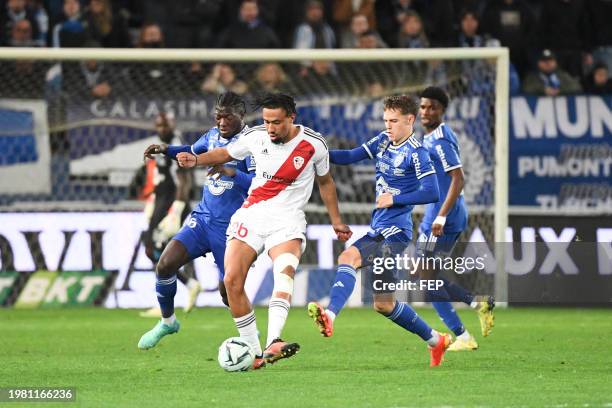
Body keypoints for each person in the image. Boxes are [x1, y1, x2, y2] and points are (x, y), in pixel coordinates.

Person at [176, 92, 352, 369]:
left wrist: (336, 220)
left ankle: (274, 341)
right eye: (267, 121)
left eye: (277, 122)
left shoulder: (313, 145)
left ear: (291, 118)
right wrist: (196, 160)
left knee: (284, 273)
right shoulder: (256, 136)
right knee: (232, 280)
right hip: (252, 215)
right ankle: (256, 352)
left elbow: (326, 182)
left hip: (288, 220)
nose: (270, 128)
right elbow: (224, 153)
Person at [307, 95, 453, 367]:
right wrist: (315, 153)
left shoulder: (417, 153)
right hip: (380, 229)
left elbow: (432, 192)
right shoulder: (383, 140)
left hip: (395, 233)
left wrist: (395, 199)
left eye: (394, 121)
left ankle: (330, 315)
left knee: (347, 258)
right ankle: (436, 340)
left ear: (410, 120)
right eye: (386, 120)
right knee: (383, 304)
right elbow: (351, 156)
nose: (388, 126)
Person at [137, 92, 255, 349]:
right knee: (165, 264)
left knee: (229, 292)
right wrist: (166, 150)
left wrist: (232, 171)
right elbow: (190, 151)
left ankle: (252, 342)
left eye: (228, 117)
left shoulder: (253, 143)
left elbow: (261, 184)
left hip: (232, 228)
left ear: (241, 115)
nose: (222, 122)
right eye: (218, 116)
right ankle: (167, 322)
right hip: (202, 220)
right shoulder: (212, 136)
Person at [417, 86, 495, 351]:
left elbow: (458, 178)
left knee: (425, 278)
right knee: (424, 276)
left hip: (442, 219)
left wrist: (440, 217)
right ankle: (475, 304)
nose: (426, 112)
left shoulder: (440, 141)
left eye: (432, 107)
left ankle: (462, 335)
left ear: (442, 110)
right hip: (439, 215)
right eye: (424, 106)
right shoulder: (430, 136)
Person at [129, 111, 200, 320]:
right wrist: (152, 200)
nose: (161, 129)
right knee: (153, 249)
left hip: (171, 203)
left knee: (155, 248)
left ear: (172, 124)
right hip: (160, 200)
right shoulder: (160, 145)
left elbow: (184, 180)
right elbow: (158, 177)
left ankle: (165, 302)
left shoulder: (177, 147)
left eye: (165, 125)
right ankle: (189, 283)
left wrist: (176, 210)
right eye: (158, 125)